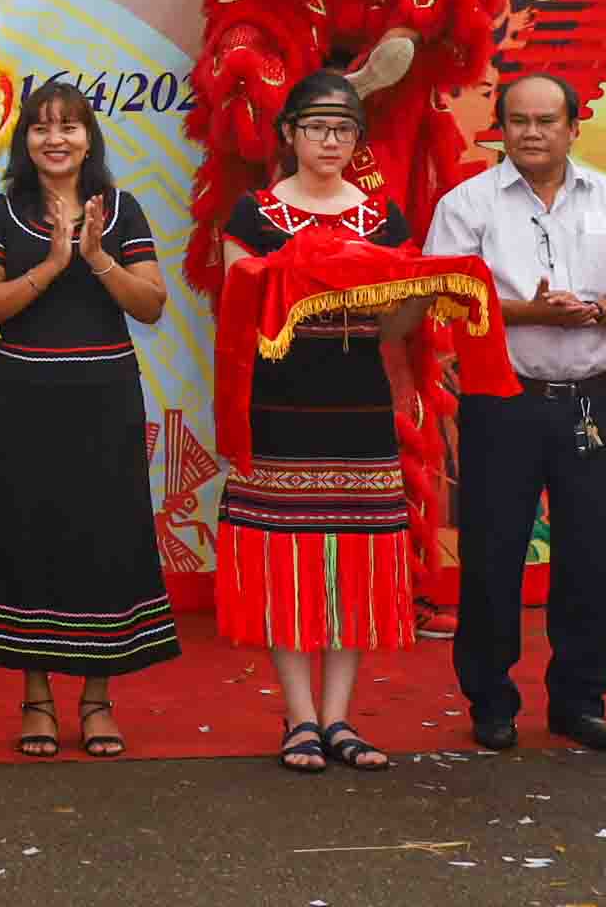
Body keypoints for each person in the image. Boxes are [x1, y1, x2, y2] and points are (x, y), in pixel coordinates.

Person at [424, 73, 606, 754]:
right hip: (502, 399)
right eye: (519, 120)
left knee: (591, 552)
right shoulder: (466, 203)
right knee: (493, 554)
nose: (532, 132)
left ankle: (580, 700)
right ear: (499, 128)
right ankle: (492, 700)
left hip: (591, 397)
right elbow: (443, 296)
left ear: (573, 126)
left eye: (546, 120)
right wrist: (529, 312)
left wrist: (593, 309)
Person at [0, 80, 178, 759]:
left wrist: (96, 257)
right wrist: (54, 264)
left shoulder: (122, 209)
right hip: (25, 396)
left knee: (102, 540)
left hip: (103, 396)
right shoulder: (1, 211)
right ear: (25, 141)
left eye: (69, 126)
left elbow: (151, 304)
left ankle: (97, 699)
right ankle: (36, 698)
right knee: (28, 537)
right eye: (40, 127)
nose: (55, 139)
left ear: (90, 137)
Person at [215, 70, 424, 775]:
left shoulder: (384, 218)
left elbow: (392, 326)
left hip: (359, 406)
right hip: (279, 405)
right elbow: (238, 315)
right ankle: (298, 714)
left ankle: (339, 716)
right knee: (287, 558)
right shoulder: (254, 215)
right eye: (317, 127)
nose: (330, 141)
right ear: (290, 136)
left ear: (358, 140)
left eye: (343, 129)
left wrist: (419, 295)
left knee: (353, 557)